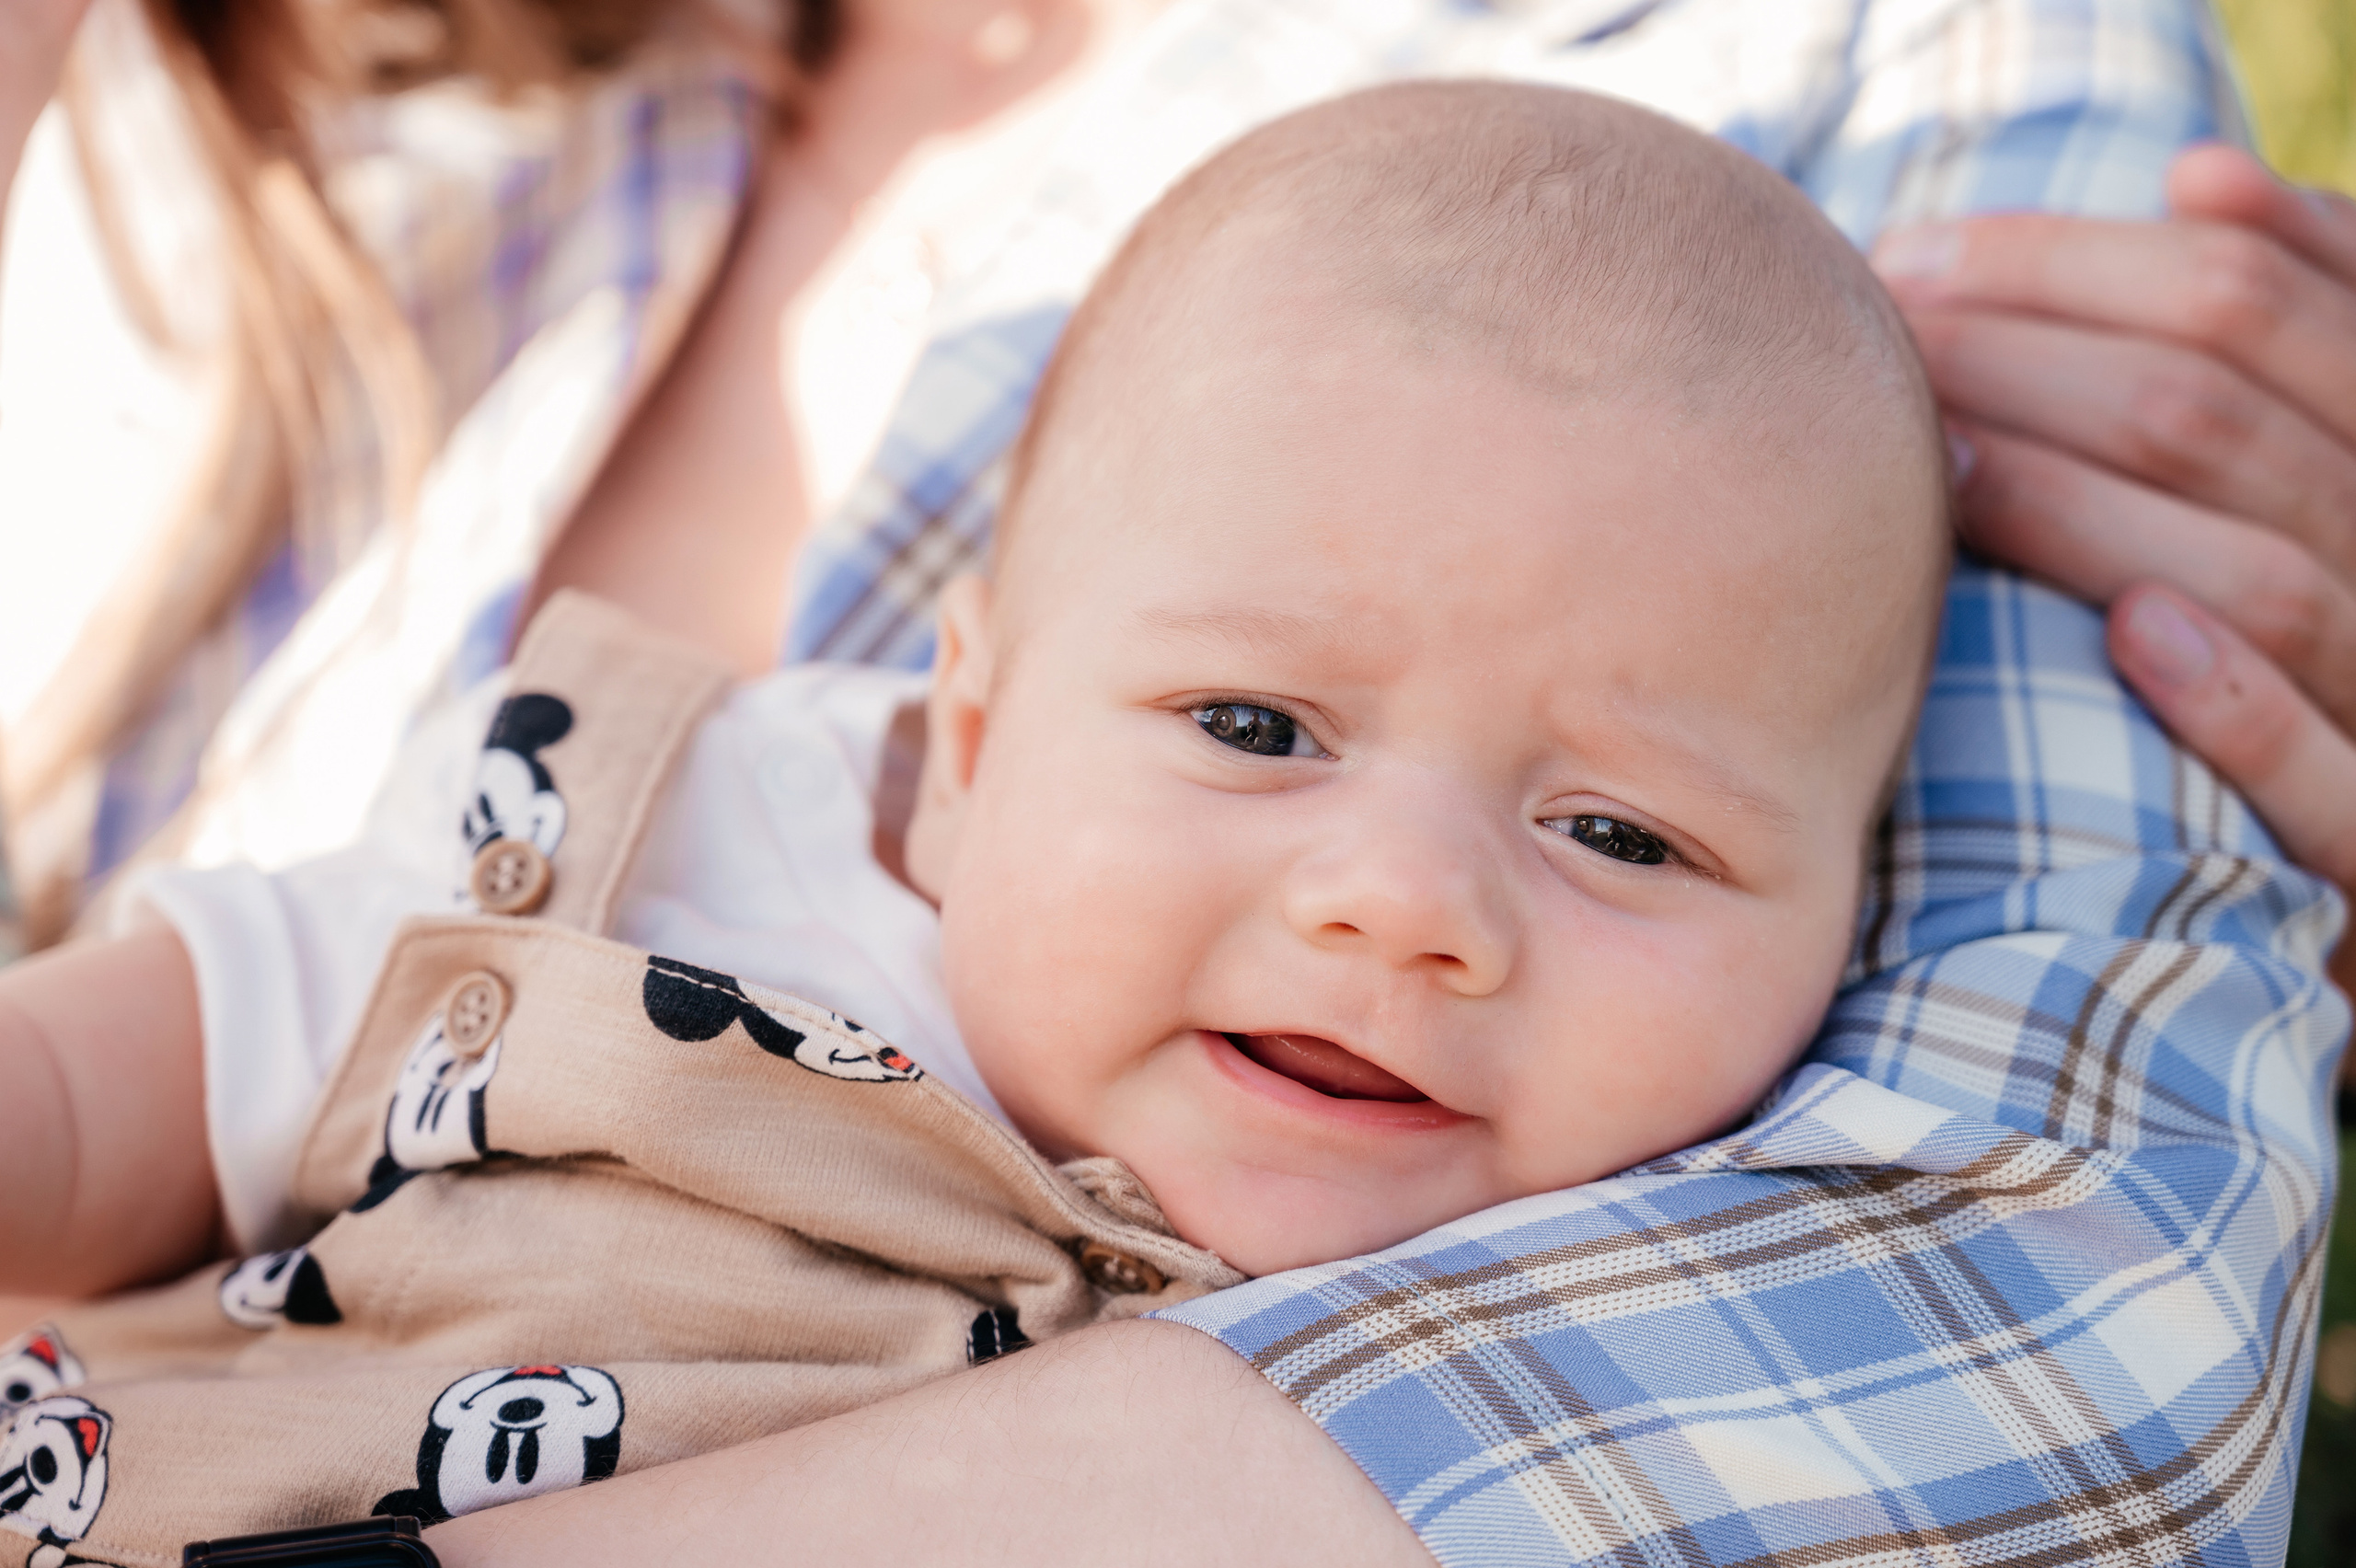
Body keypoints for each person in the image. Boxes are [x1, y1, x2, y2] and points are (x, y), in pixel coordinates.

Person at [0, 2, 2349, 1566]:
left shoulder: (1902, 87)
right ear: (973, 734)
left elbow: (2050, 1303)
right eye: (1252, 732)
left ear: (1855, 914)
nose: (1402, 903)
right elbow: (158, 1059)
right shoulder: (708, 830)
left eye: (1625, 835)